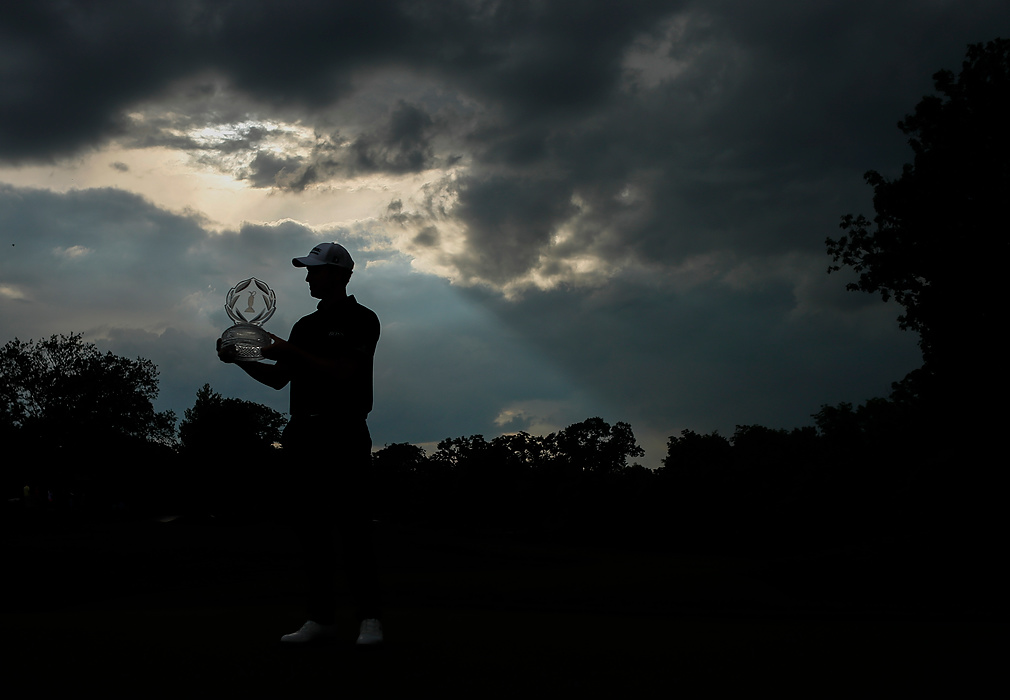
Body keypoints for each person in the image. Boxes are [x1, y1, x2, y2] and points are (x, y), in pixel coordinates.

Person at [218, 242, 383, 645]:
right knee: (312, 531)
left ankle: (370, 619)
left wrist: (282, 348)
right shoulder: (304, 327)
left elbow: (343, 371)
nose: (309, 277)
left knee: (353, 528)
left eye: (317, 270)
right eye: (309, 271)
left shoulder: (363, 319)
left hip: (344, 432)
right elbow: (280, 378)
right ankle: (322, 619)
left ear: (341, 275)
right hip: (304, 435)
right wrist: (240, 357)